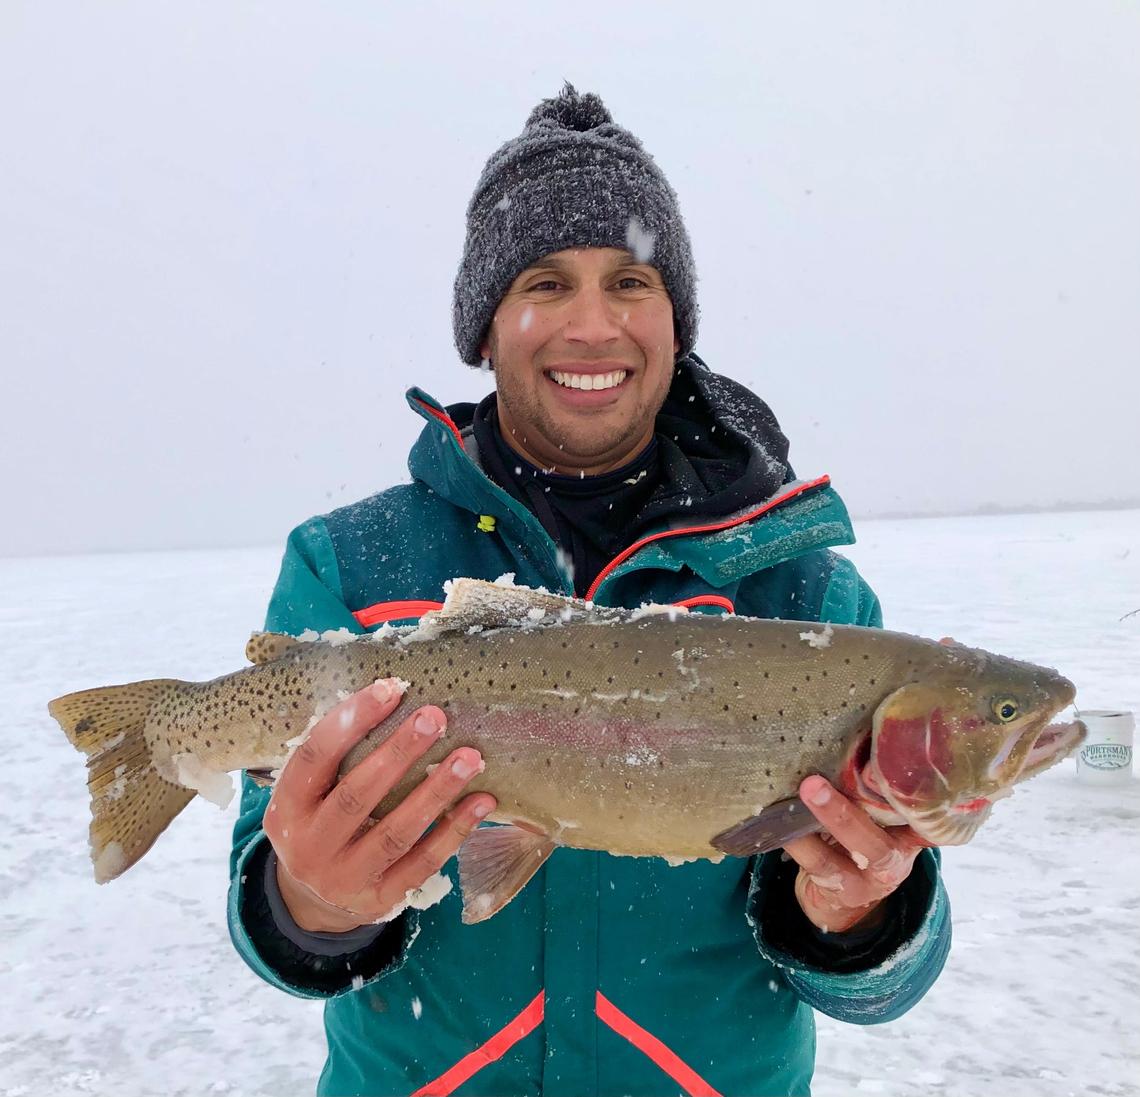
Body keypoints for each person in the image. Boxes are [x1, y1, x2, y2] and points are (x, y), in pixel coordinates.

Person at [228, 84, 951, 1097]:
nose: (592, 323)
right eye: (546, 281)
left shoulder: (805, 594)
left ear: (675, 318)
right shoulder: (350, 565)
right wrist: (311, 897)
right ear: (486, 325)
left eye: (631, 280)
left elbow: (882, 985)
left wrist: (861, 910)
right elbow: (274, 926)